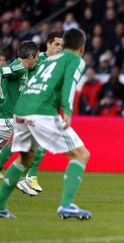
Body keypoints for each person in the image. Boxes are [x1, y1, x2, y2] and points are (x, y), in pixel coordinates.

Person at [0, 28, 92, 219]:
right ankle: (66, 205)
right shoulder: (75, 60)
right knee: (81, 154)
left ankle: (0, 205)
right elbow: (70, 83)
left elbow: (30, 85)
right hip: (42, 112)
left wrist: (18, 118)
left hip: (22, 109)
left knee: (24, 159)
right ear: (82, 48)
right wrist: (67, 110)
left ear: (64, 45)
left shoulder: (46, 60)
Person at [14, 32, 64, 195]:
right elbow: (18, 70)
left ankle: (31, 177)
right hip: (26, 107)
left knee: (40, 143)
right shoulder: (36, 59)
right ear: (48, 44)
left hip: (43, 109)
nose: (59, 48)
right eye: (56, 44)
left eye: (62, 45)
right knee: (14, 143)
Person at [0, 41, 39, 182]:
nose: (37, 60)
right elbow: (0, 71)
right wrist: (0, 94)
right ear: (30, 55)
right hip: (7, 119)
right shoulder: (19, 67)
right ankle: (26, 180)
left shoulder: (24, 70)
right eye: (36, 56)